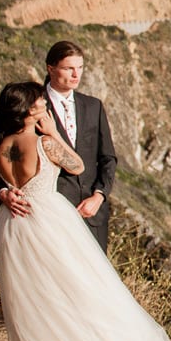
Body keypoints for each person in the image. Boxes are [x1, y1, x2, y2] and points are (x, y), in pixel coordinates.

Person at [0, 81, 171, 341]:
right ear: (29, 109)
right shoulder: (45, 143)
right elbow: (77, 166)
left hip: (13, 225)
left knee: (32, 295)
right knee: (74, 286)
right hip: (48, 218)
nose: (45, 105)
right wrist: (54, 134)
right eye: (40, 103)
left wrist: (6, 193)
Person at [43, 39, 117, 253]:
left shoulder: (93, 106)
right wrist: (5, 192)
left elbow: (108, 158)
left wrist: (99, 195)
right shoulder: (34, 104)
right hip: (52, 213)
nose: (77, 75)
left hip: (92, 214)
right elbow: (10, 151)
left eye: (80, 68)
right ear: (51, 68)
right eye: (68, 68)